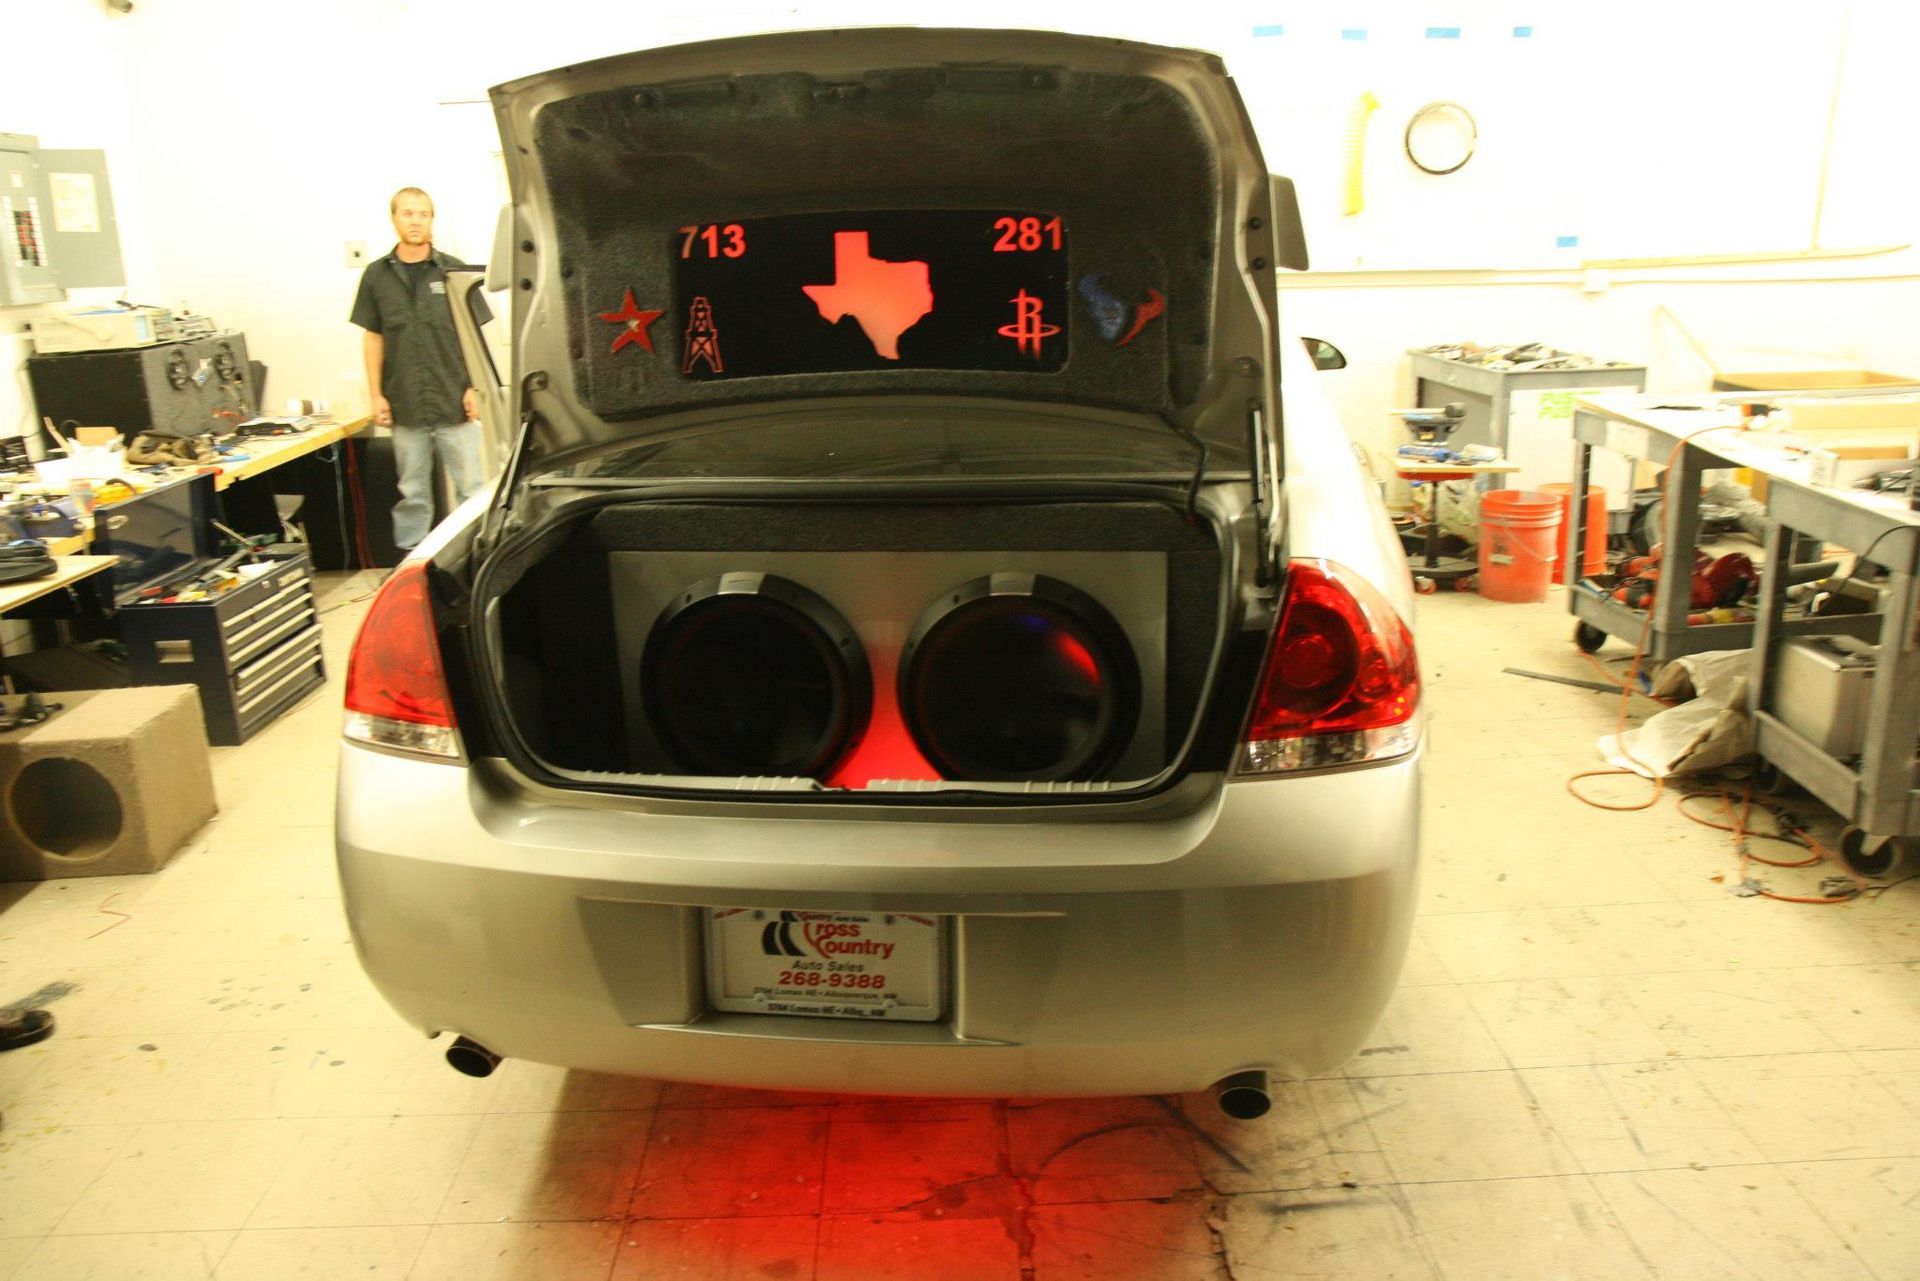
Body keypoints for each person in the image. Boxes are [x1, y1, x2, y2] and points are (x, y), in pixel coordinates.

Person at [350, 186, 486, 552]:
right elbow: (374, 339)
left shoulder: (453, 272)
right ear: (394, 218)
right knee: (413, 492)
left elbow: (474, 337)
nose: (415, 221)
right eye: (408, 213)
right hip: (405, 403)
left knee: (472, 488)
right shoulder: (376, 277)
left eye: (423, 213)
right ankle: (412, 566)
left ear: (431, 219)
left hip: (454, 400)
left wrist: (475, 387)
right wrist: (376, 395)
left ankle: (473, 558)